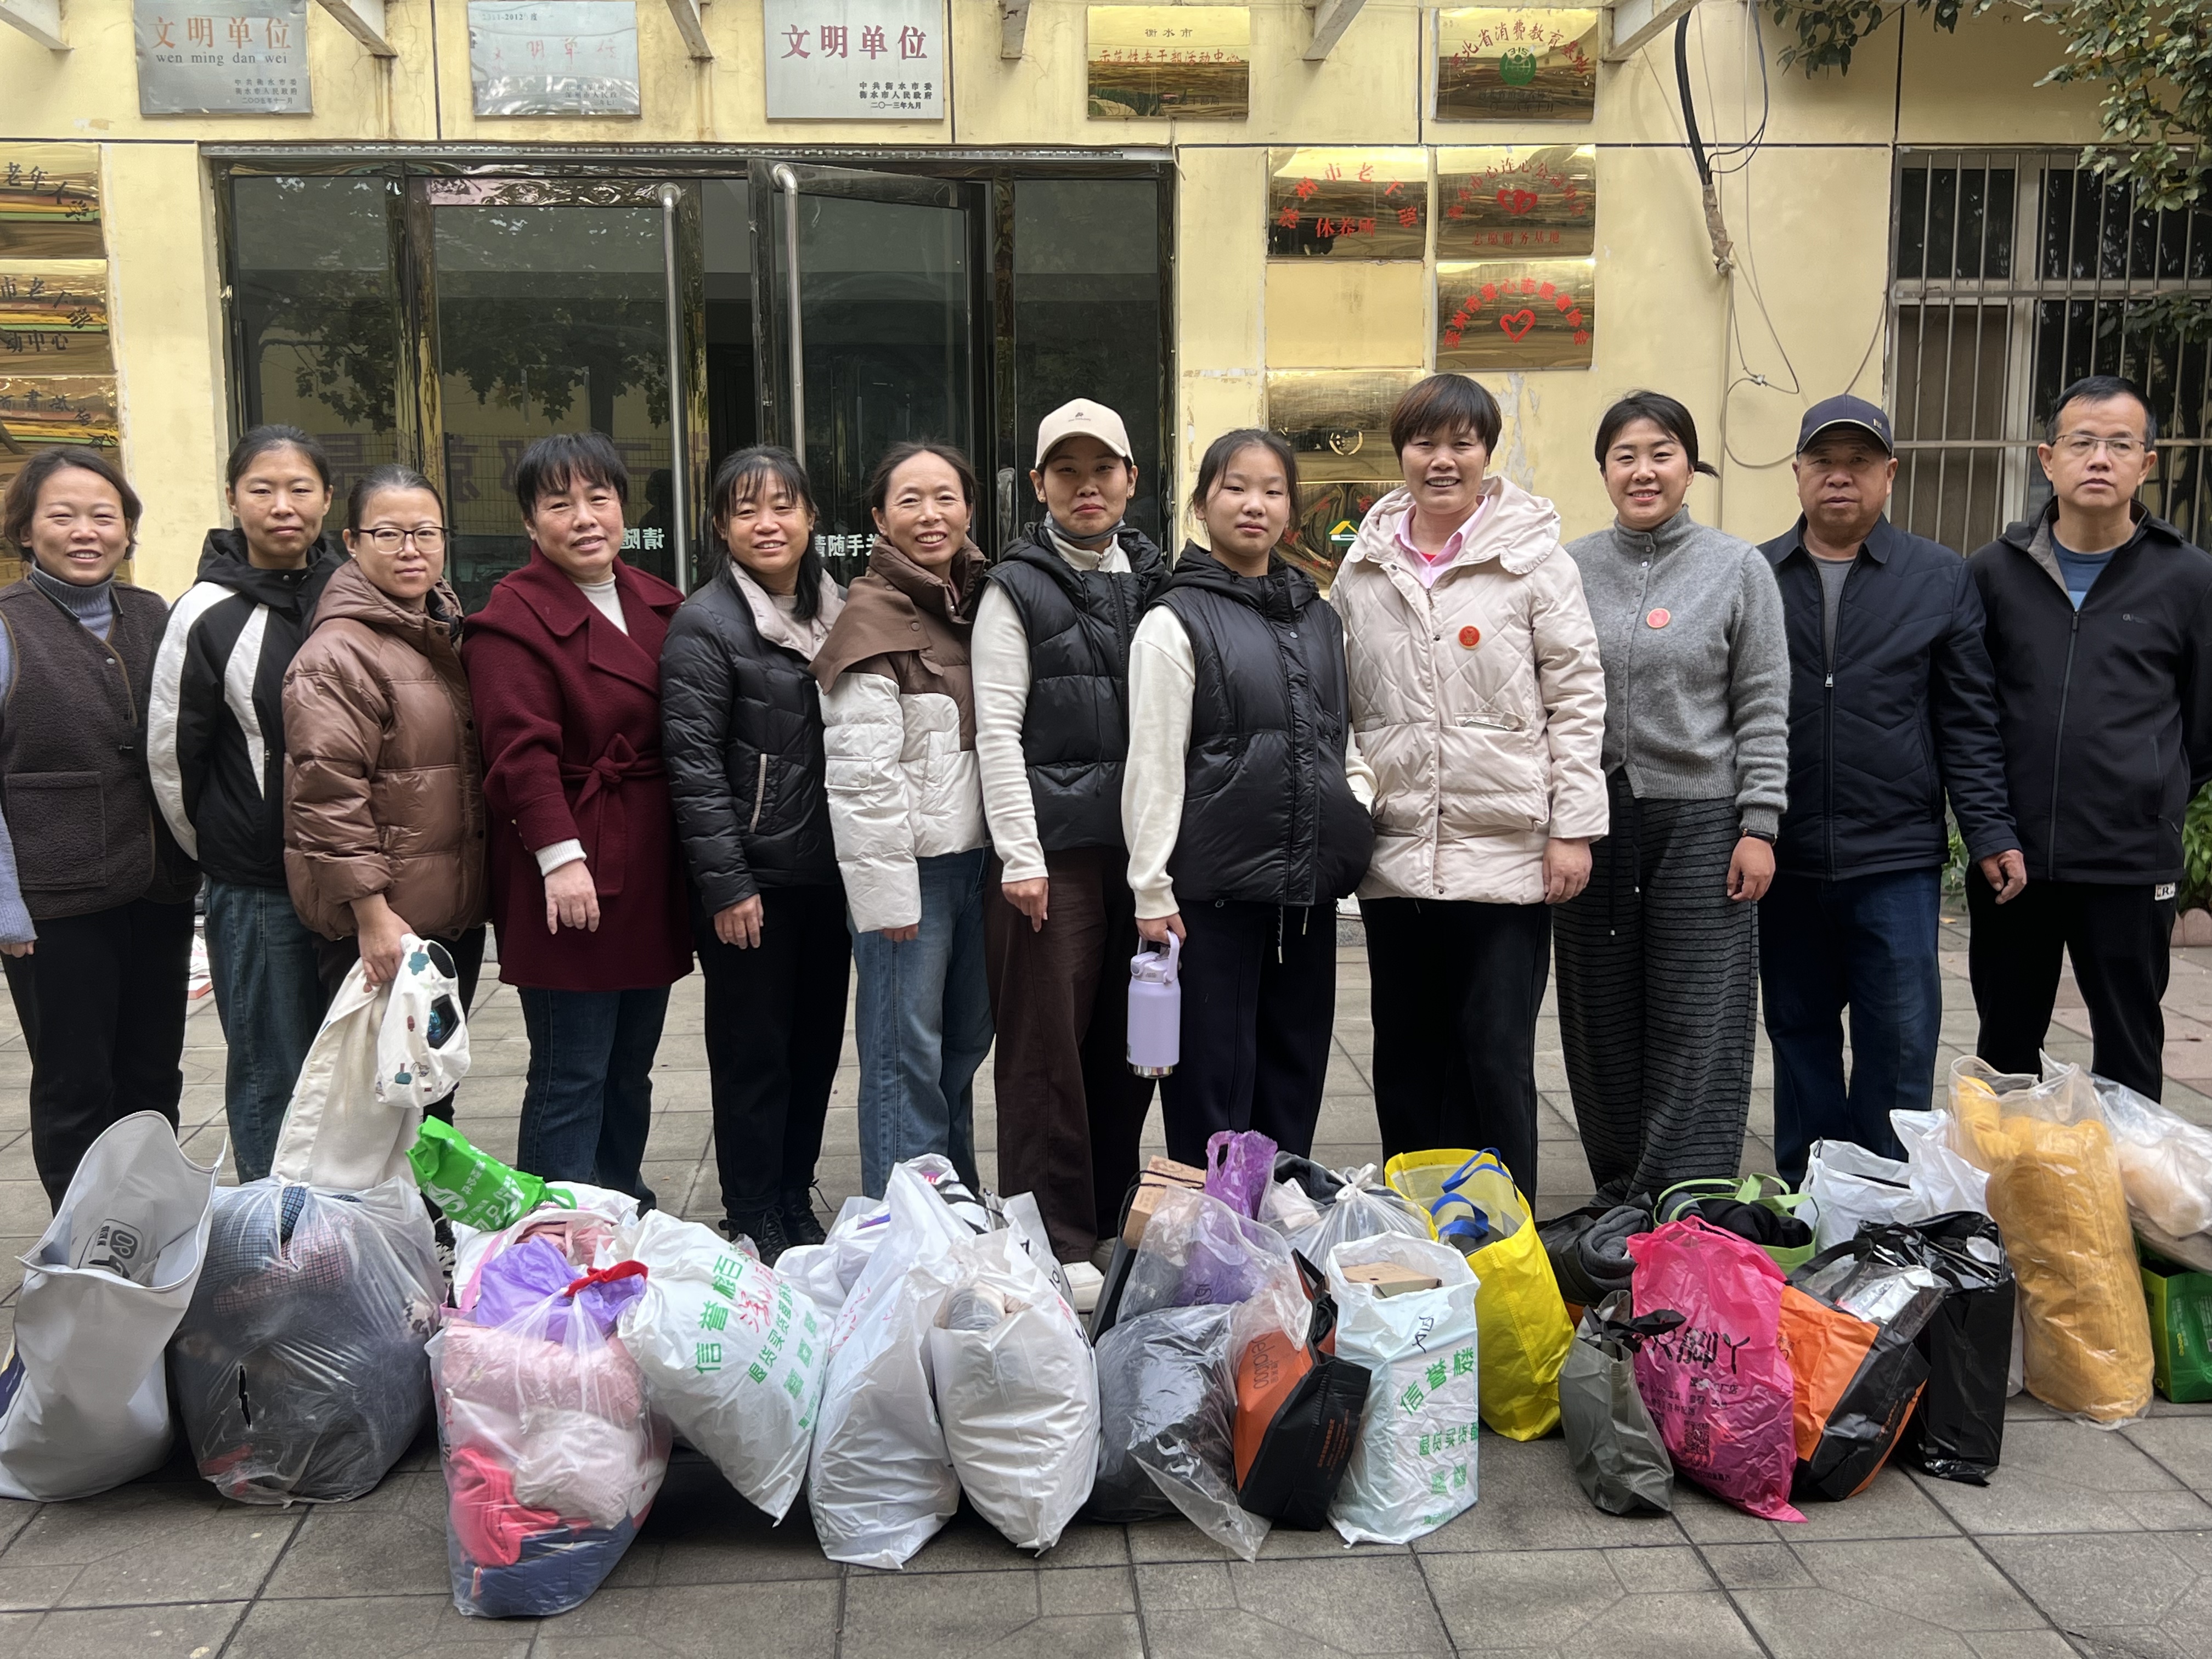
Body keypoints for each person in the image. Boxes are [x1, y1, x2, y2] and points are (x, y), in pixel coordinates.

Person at [1332, 374, 1607, 1200]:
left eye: (1463, 443)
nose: (1443, 460)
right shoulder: (1364, 567)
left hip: (1505, 855)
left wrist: (1572, 828)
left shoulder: (1535, 561)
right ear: (1402, 454)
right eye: (1425, 443)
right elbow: (1343, 704)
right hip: (1399, 853)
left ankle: (1501, 1233)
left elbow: (1577, 697)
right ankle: (1414, 1228)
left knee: (1493, 1055)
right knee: (1406, 1055)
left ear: (1488, 453)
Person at [1756, 396, 2022, 1182]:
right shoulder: (1755, 574)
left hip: (1895, 857)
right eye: (1824, 462)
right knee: (1797, 1032)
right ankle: (1812, 1189)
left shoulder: (1937, 577)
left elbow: (1967, 720)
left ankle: (1889, 1192)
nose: (1840, 477)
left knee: (1900, 1039)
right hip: (1786, 854)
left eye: (1859, 463)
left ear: (1890, 474)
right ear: (1798, 472)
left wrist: (1990, 831)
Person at [1558, 393, 1790, 1201]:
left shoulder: (1738, 568)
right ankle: (1620, 1188)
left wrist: (1759, 824)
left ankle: (1684, 1193)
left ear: (1691, 467)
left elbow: (1763, 703)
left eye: (1662, 453)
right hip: (1593, 819)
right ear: (1604, 470)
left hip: (1702, 818)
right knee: (1600, 1012)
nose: (1643, 471)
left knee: (1699, 1013)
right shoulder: (1569, 568)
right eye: (1625, 456)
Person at [1122, 429, 1375, 1165]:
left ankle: (1278, 1219)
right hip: (1213, 900)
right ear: (1202, 506)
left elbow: (1344, 738)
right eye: (1235, 488)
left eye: (1272, 490)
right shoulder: (1174, 620)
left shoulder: (1320, 618)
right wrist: (1150, 887)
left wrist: (1354, 801)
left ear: (1290, 510)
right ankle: (1214, 1230)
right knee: (1213, 1087)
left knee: (1292, 1081)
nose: (1254, 504)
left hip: (1305, 895)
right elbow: (1154, 762)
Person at [1966, 374, 2212, 1097]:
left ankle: (2127, 1173)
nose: (2099, 459)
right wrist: (1990, 828)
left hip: (2129, 860)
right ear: (2048, 459)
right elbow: (1970, 713)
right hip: (2012, 861)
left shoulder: (2189, 579)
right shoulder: (1994, 573)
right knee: (2005, 1050)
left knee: (2129, 1050)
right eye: (2082, 443)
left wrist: (2151, 790)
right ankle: (2008, 1172)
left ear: (2148, 463)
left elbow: (2201, 724)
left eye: (2120, 445)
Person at [462, 432, 691, 1204]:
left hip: (647, 864)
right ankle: (553, 1228)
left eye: (600, 498)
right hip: (569, 870)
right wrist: (560, 858)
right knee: (572, 1069)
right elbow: (518, 755)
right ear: (531, 523)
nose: (585, 518)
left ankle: (620, 1202)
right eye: (560, 504)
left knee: (631, 1066)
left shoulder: (662, 604)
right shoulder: (509, 620)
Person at [973, 399, 1165, 1274]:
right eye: (1066, 472)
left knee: (1129, 1050)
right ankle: (1051, 1239)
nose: (1087, 487)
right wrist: (1022, 856)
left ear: (1131, 480)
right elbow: (997, 732)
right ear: (1039, 485)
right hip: (1055, 859)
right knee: (1045, 1056)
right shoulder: (1014, 588)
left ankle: (1109, 1217)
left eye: (1103, 470)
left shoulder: (1156, 579)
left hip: (1142, 857)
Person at [662, 447, 850, 1258]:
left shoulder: (843, 612)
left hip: (830, 878)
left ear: (811, 518)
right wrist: (728, 885)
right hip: (755, 885)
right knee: (754, 1054)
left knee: (815, 1050)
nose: (767, 524)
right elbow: (693, 767)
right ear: (720, 527)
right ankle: (751, 1208)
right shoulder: (706, 623)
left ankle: (793, 1195)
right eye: (746, 510)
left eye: (783, 506)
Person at [0, 448, 199, 1210]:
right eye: (62, 516)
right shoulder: (7, 625)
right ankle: (85, 1247)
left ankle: (150, 1228)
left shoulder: (154, 616)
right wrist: (6, 906)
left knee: (152, 1076)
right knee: (75, 1084)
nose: (86, 532)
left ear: (126, 530)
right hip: (54, 904)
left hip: (158, 890)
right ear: (26, 530)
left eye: (104, 516)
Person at [149, 425, 348, 1182]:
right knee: (272, 1071)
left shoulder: (351, 596)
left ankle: (348, 1232)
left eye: (300, 489)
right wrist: (228, 848)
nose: (282, 506)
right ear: (233, 499)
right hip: (259, 887)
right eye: (262, 489)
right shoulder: (205, 613)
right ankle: (273, 1233)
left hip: (354, 884)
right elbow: (172, 758)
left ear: (327, 499)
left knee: (356, 1076)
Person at [814, 441, 992, 1199]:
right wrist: (887, 900)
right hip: (912, 877)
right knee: (902, 1057)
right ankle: (905, 1220)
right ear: (880, 519)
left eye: (946, 497)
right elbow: (861, 779)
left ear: (969, 509)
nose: (931, 514)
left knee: (962, 1049)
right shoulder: (871, 618)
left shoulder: (977, 604)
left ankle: (953, 1202)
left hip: (976, 867)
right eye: (910, 500)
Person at [281, 466, 488, 1113]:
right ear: (352, 541)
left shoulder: (440, 631)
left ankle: (426, 1189)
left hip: (443, 917)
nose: (410, 549)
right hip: (383, 927)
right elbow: (327, 796)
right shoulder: (337, 654)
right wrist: (371, 916)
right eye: (389, 533)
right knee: (378, 1111)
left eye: (426, 533)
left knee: (431, 1093)